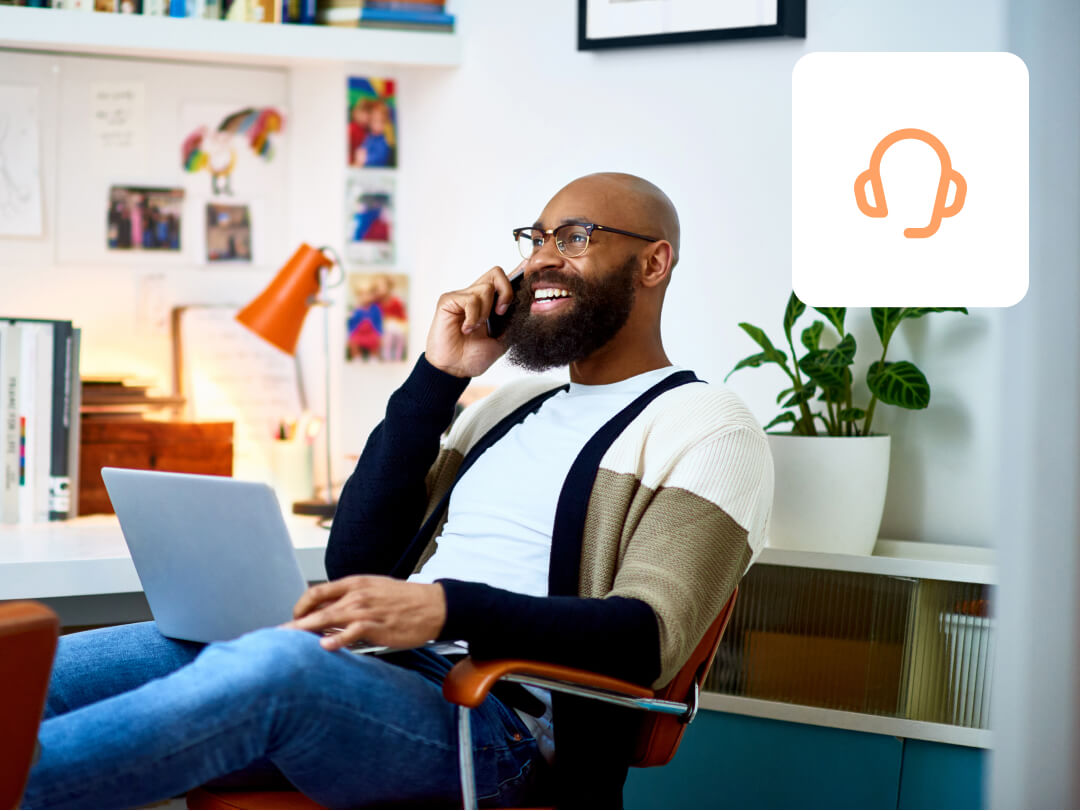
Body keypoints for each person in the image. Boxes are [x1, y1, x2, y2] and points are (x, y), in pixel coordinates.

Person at [20, 172, 772, 810]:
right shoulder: (506, 405)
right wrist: (440, 374)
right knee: (38, 670)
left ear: (654, 263)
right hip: (371, 673)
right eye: (535, 239)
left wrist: (445, 606)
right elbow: (358, 556)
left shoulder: (707, 426)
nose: (541, 260)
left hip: (494, 723)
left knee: (275, 668)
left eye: (573, 237)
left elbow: (643, 638)